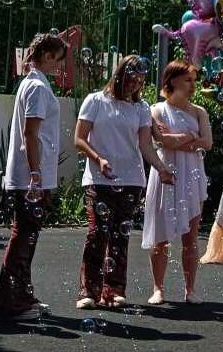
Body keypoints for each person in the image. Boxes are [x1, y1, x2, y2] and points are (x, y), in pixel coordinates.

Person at [74, 55, 175, 309]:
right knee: (97, 233)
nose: (136, 85)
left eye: (140, 82)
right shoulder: (95, 101)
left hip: (131, 180)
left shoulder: (140, 108)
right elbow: (79, 139)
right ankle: (89, 291)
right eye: (132, 79)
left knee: (121, 235)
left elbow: (145, 145)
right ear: (120, 75)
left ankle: (114, 291)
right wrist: (99, 159)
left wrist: (161, 168)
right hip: (99, 179)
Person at [0, 33, 67, 321]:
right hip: (30, 178)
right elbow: (30, 133)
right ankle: (8, 304)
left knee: (27, 238)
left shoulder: (35, 83)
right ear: (47, 56)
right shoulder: (36, 86)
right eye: (58, 59)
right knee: (23, 238)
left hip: (34, 176)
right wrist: (35, 174)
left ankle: (21, 296)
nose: (59, 66)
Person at [142, 60, 212, 305]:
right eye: (187, 80)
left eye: (194, 80)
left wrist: (180, 140)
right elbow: (162, 141)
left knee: (191, 237)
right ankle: (158, 288)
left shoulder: (199, 112)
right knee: (161, 236)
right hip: (166, 173)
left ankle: (190, 289)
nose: (193, 85)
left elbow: (208, 143)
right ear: (172, 81)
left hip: (192, 174)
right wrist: (191, 137)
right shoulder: (157, 110)